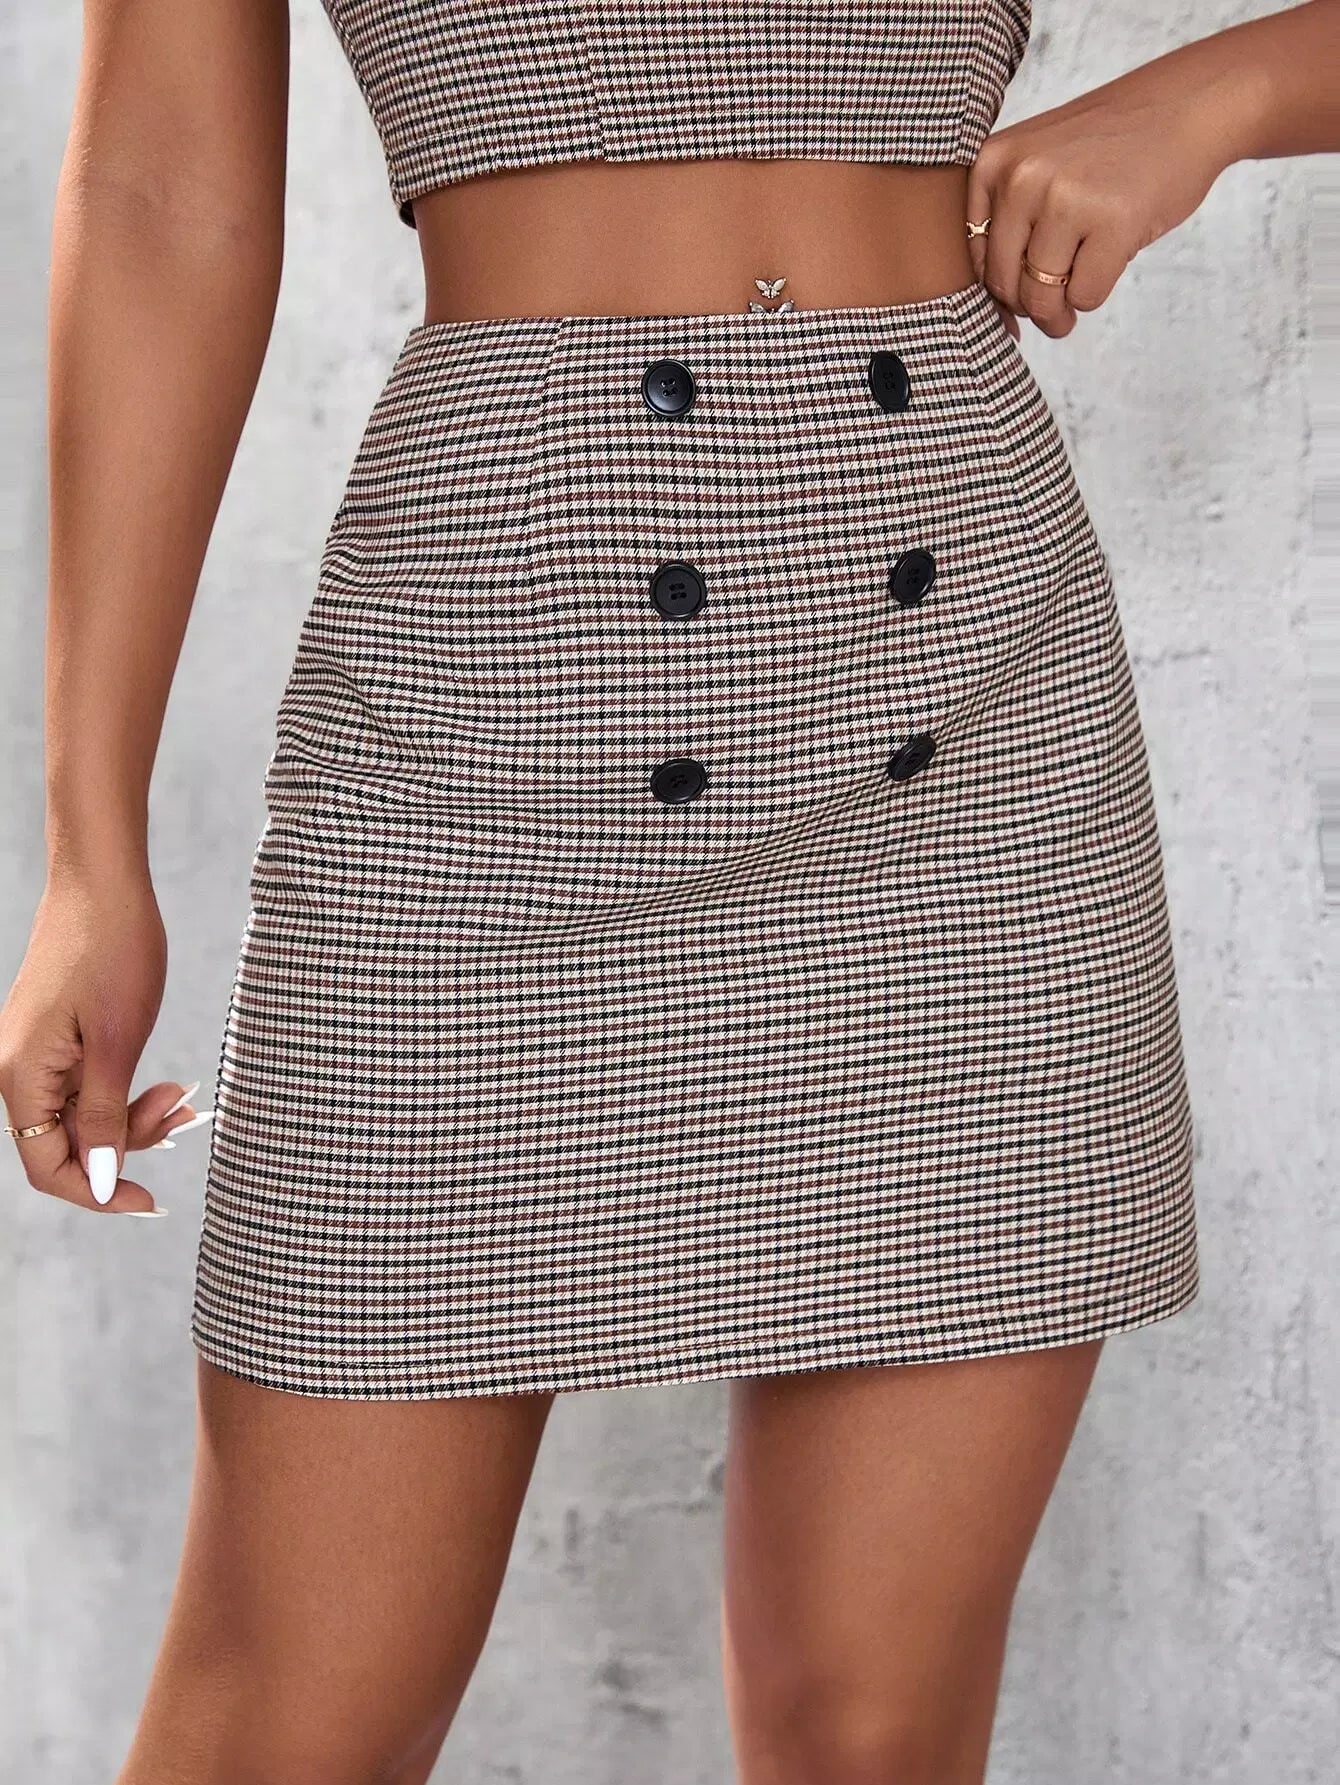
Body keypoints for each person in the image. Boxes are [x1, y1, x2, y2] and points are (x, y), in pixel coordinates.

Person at [1, 3, 1333, 1781]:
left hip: (968, 729)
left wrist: (1222, 91)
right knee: (290, 1725)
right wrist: (90, 844)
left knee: (868, 1732)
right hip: (478, 737)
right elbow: (162, 194)